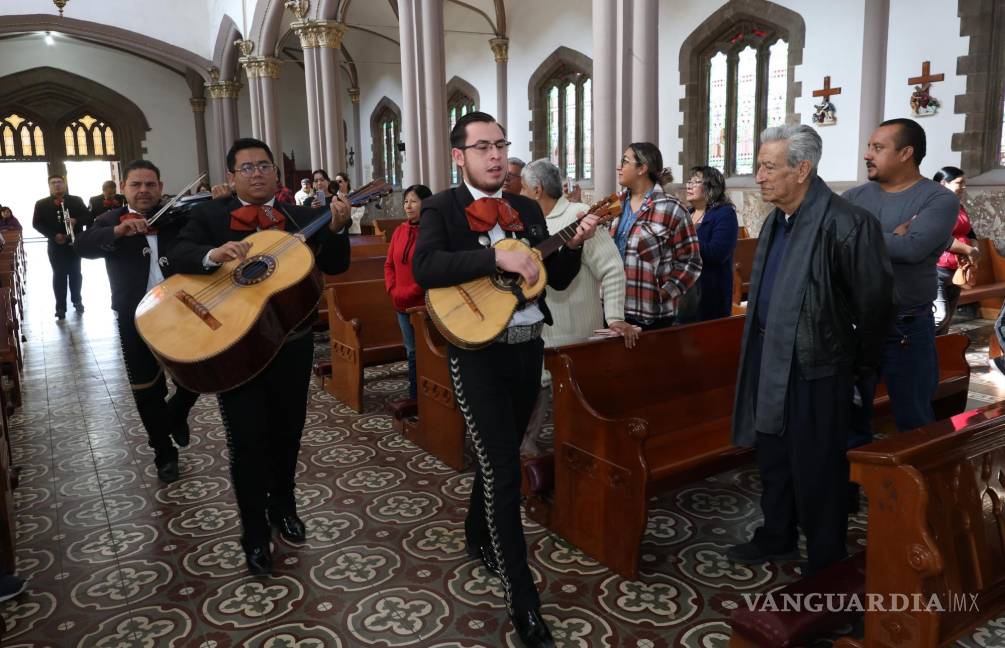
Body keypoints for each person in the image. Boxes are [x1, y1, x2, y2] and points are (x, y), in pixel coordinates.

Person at [413, 111, 598, 648]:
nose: (495, 155)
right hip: (475, 354)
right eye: (482, 147)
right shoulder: (440, 208)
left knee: (499, 460)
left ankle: (478, 534)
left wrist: (577, 241)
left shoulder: (523, 208)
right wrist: (495, 255)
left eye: (501, 145)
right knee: (504, 470)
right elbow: (426, 268)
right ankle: (524, 601)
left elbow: (555, 278)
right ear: (460, 156)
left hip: (525, 351)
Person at [168, 138, 351, 576]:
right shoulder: (208, 215)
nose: (256, 174)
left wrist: (340, 228)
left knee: (289, 433)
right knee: (247, 442)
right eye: (246, 168)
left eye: (263, 166)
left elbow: (339, 265)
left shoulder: (301, 216)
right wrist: (213, 255)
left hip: (292, 342)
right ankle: (253, 532)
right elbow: (176, 254)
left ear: (276, 173)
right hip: (238, 348)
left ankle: (284, 508)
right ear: (231, 176)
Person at [728, 124, 892, 575]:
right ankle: (777, 535)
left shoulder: (847, 223)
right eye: (758, 166)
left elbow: (875, 307)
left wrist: (853, 368)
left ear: (802, 169)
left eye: (768, 167)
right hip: (769, 358)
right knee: (774, 454)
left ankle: (825, 559)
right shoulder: (775, 220)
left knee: (818, 465)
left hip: (818, 366)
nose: (758, 177)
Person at [74, 160, 200, 484]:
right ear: (124, 189)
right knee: (146, 388)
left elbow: (209, 224)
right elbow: (84, 246)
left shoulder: (179, 214)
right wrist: (118, 231)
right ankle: (163, 452)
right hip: (134, 316)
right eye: (136, 185)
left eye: (150, 184)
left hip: (181, 309)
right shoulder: (109, 220)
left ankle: (178, 411)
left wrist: (223, 197)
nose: (144, 190)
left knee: (198, 371)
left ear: (160, 187)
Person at [843, 118, 959, 437]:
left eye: (878, 148)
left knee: (915, 422)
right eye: (869, 146)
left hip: (906, 328)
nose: (868, 154)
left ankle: (915, 487)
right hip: (856, 325)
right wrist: (888, 237)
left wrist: (857, 236)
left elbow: (911, 249)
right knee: (849, 421)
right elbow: (832, 245)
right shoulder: (853, 197)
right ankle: (848, 486)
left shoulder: (938, 199)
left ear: (906, 153)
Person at [518, 158, 633, 458]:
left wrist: (616, 317)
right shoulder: (528, 222)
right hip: (541, 330)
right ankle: (530, 451)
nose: (519, 194)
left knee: (576, 405)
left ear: (537, 189)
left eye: (523, 189)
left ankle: (578, 458)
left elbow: (612, 269)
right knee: (536, 394)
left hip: (577, 331)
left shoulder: (580, 217)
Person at [612, 143, 702, 330]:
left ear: (642, 168)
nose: (619, 167)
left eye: (625, 161)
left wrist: (665, 292)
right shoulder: (614, 205)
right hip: (613, 311)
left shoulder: (672, 208)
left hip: (651, 315)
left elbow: (691, 261)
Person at [384, 184, 432, 403]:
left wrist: (409, 292)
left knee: (428, 353)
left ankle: (429, 398)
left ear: (426, 203)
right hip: (400, 304)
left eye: (414, 201)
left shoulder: (431, 232)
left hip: (424, 304)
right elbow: (389, 265)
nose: (408, 206)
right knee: (411, 352)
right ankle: (415, 398)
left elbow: (430, 269)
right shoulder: (400, 231)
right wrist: (393, 290)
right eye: (406, 201)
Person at [33, 174, 92, 319]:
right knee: (59, 275)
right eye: (53, 183)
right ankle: (60, 307)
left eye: (59, 182)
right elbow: (36, 223)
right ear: (49, 186)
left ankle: (77, 301)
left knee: (75, 273)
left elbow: (89, 217)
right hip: (55, 245)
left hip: (75, 243)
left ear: (64, 184)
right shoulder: (41, 203)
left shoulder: (76, 200)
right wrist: (54, 236)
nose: (57, 185)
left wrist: (76, 220)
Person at [685, 165, 739, 321]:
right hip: (685, 290)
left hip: (710, 290)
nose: (689, 185)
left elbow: (717, 253)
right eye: (689, 181)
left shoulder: (725, 214)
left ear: (711, 187)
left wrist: (684, 241)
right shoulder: (687, 213)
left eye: (696, 182)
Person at [931, 166, 979, 335]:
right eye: (960, 183)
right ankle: (909, 347)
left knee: (947, 321)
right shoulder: (934, 206)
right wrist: (969, 250)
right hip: (936, 270)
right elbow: (939, 238)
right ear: (944, 183)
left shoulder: (959, 206)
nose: (964, 187)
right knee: (940, 316)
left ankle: (937, 358)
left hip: (958, 270)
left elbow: (970, 233)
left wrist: (975, 248)